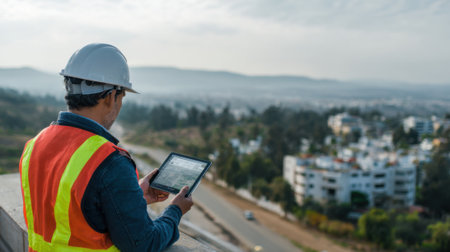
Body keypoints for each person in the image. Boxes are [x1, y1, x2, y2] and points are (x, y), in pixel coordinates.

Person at [19, 43, 193, 251]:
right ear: (112, 97)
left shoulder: (34, 144)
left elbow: (70, 211)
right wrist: (175, 211)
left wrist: (133, 196)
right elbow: (143, 243)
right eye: (122, 96)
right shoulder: (110, 161)